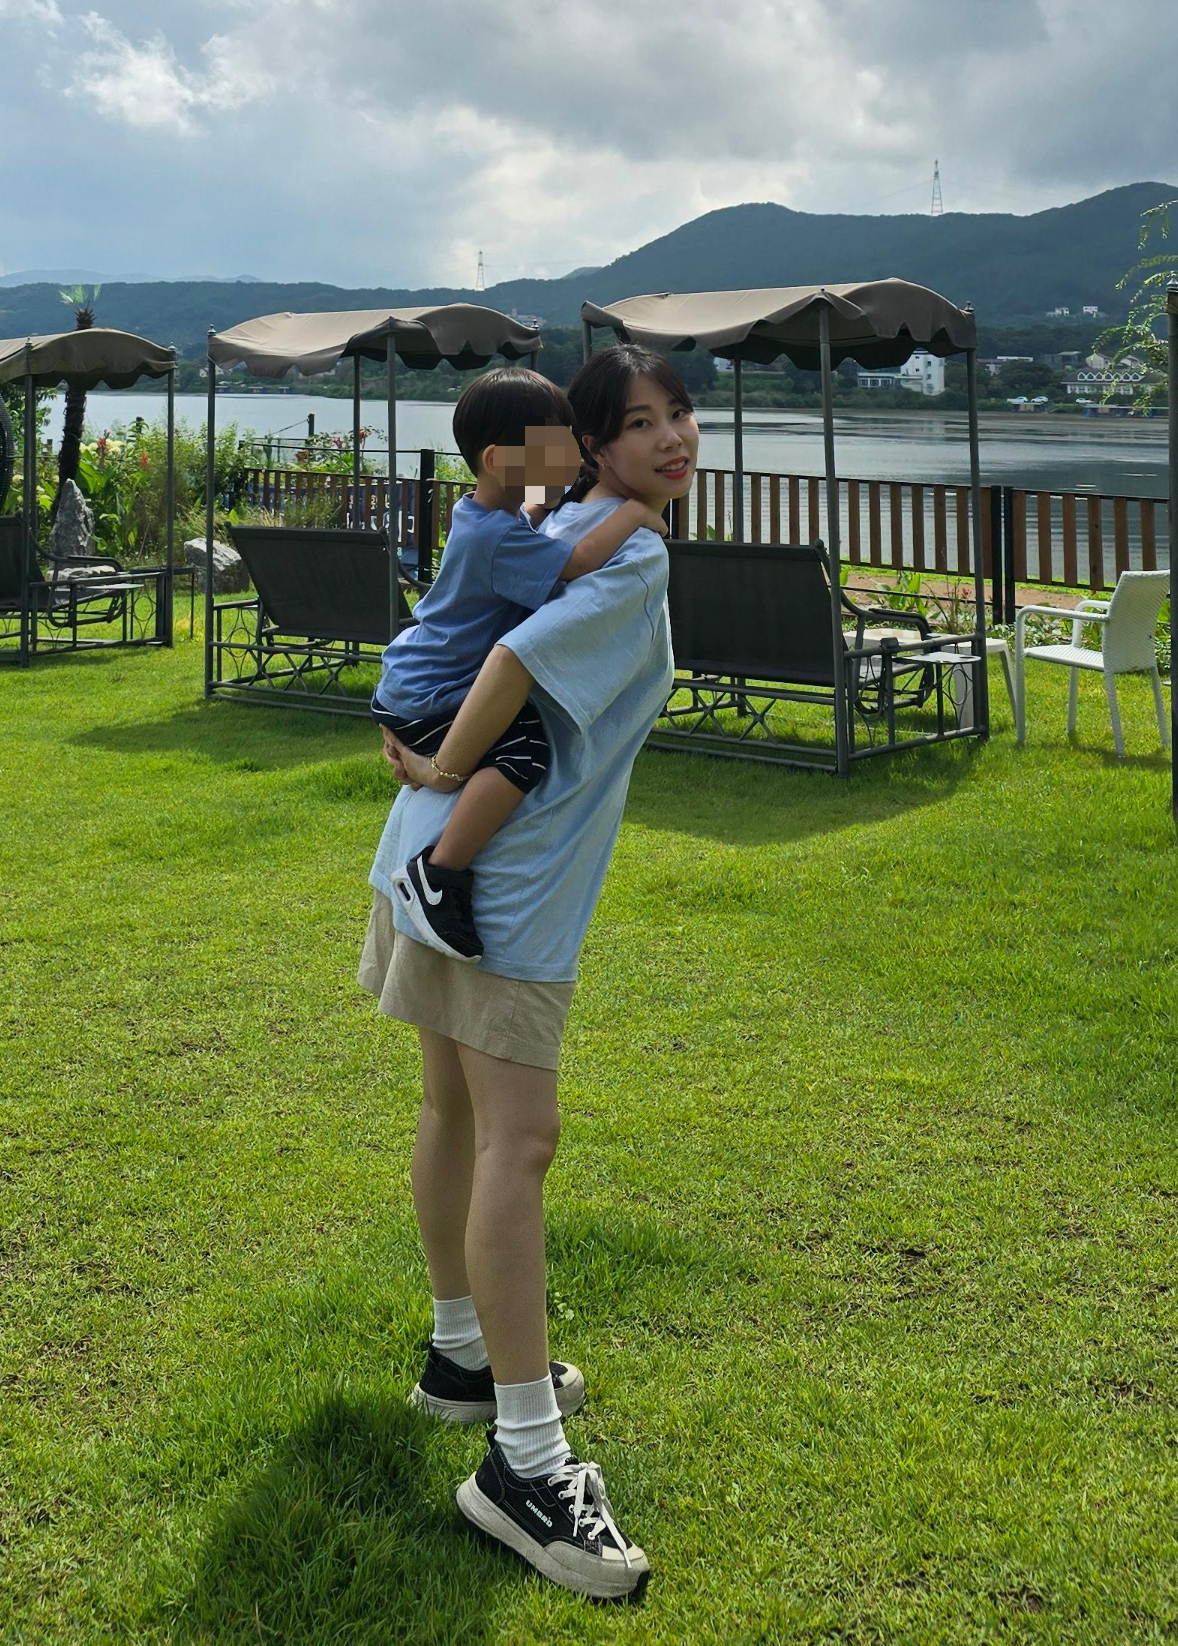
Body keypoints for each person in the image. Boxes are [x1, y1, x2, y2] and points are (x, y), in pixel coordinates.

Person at [358, 344, 696, 1603]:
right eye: (641, 425)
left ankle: (459, 1356)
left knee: (454, 1114)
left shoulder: (553, 519)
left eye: (683, 416)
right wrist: (452, 771)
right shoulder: (635, 553)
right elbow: (509, 668)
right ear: (589, 450)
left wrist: (433, 774)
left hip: (424, 868)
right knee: (521, 1141)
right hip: (498, 895)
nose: (673, 440)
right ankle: (526, 1462)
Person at [374, 367, 666, 963]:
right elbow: (581, 559)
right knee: (522, 751)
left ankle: (439, 862)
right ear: (498, 459)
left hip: (413, 678)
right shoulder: (500, 537)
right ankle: (438, 872)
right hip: (435, 690)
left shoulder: (487, 513)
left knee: (513, 743)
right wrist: (634, 513)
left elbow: (535, 513)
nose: (573, 456)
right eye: (555, 448)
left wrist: (543, 498)